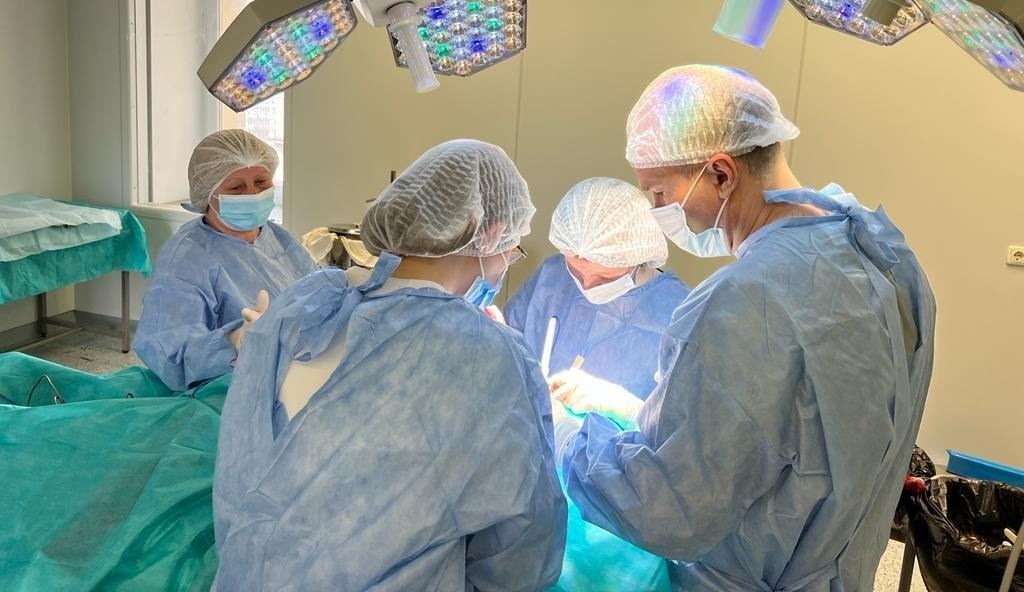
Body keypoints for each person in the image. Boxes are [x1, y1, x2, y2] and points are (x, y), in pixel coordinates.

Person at [552, 65, 935, 591]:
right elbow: (793, 433)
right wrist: (634, 408)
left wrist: (564, 433)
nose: (657, 211)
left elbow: (667, 508)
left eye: (659, 193)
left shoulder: (741, 303)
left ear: (721, 174)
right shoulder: (885, 254)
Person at [213, 139, 566, 592]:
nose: (506, 264)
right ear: (487, 230)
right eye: (511, 248)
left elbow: (238, 484)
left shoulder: (303, 303)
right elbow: (519, 548)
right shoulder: (491, 355)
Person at [134, 129, 315, 391]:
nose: (252, 194)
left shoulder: (278, 237)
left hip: (295, 377)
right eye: (236, 188)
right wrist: (234, 341)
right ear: (207, 193)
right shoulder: (186, 259)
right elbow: (169, 356)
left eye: (261, 182)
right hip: (227, 394)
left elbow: (314, 294)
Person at [505, 177, 689, 410]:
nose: (587, 286)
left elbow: (684, 420)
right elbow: (506, 355)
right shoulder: (550, 277)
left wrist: (627, 409)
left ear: (638, 257)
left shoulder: (680, 314)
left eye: (604, 278)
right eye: (576, 271)